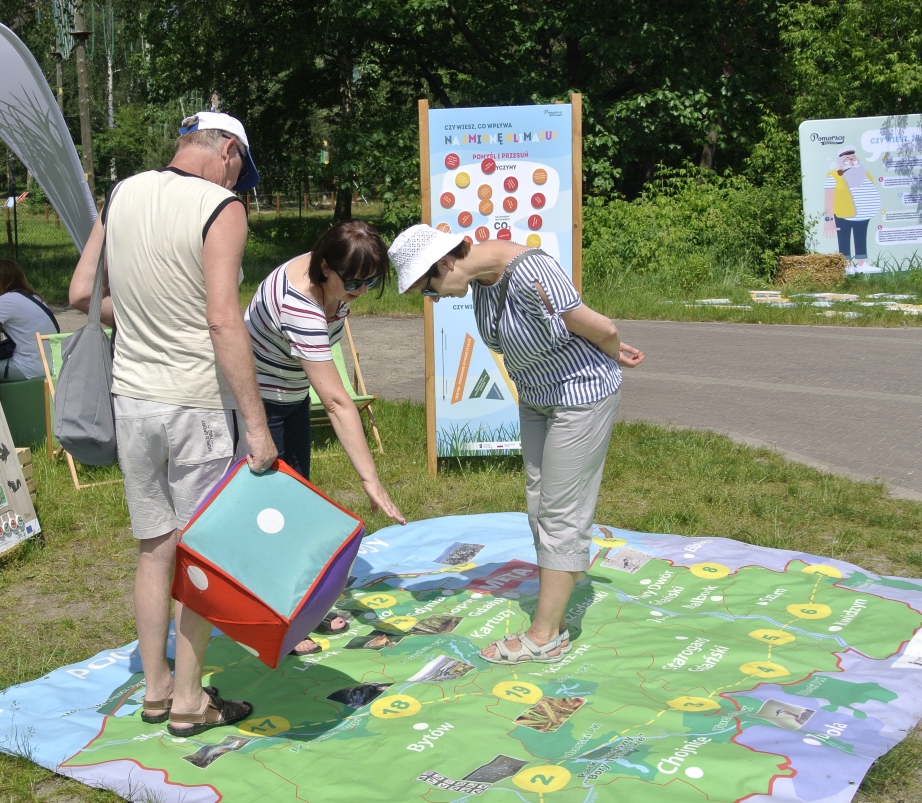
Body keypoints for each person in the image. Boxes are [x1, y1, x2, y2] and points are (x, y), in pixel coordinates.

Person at [69, 110, 275, 736]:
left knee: (154, 548)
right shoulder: (221, 207)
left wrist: (139, 313)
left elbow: (82, 293)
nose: (240, 183)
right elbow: (222, 319)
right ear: (229, 151)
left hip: (132, 399)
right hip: (197, 405)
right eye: (241, 169)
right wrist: (259, 426)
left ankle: (154, 689)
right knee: (201, 554)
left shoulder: (123, 191)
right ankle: (190, 699)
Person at [391, 225, 644, 664]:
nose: (433, 299)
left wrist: (612, 348)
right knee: (538, 502)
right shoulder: (483, 285)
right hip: (537, 399)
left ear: (446, 262)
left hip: (579, 397)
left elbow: (602, 326)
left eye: (428, 289)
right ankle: (560, 583)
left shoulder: (532, 273)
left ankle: (546, 635)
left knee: (560, 511)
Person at [244, 219, 406, 656]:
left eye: (372, 281)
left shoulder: (333, 286)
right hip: (260, 401)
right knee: (274, 513)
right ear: (323, 267)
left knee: (296, 502)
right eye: (353, 281)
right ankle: (281, 619)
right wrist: (370, 480)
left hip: (289, 392)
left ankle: (296, 605)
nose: (362, 290)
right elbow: (335, 401)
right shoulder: (300, 304)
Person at [0, 259, 58, 382]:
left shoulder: (6, 300)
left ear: (1, 281)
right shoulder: (33, 297)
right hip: (49, 364)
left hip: (28, 367)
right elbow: (15, 325)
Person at [823, 149, 881, 273]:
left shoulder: (864, 174)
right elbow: (828, 198)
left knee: (861, 237)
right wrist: (828, 220)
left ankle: (862, 264)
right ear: (840, 162)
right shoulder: (833, 176)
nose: (852, 162)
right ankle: (846, 264)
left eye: (854, 159)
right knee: (843, 238)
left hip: (863, 214)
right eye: (847, 160)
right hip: (842, 214)